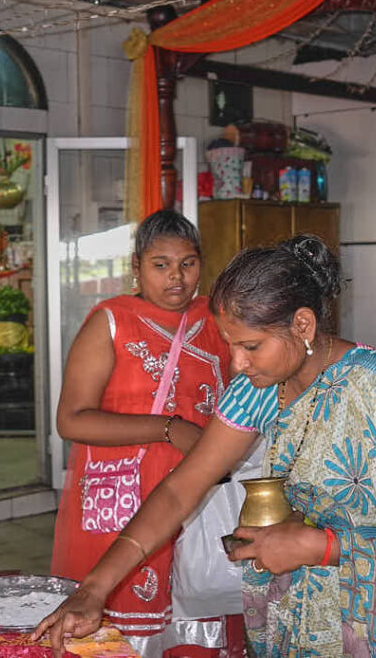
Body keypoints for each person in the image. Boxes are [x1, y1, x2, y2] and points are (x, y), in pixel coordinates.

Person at [37, 235, 376, 657]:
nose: (237, 363)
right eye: (230, 345)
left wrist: (319, 547)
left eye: (250, 346)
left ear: (303, 326)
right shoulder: (259, 389)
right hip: (296, 619)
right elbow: (180, 490)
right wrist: (93, 589)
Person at [50, 209, 246, 658]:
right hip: (124, 496)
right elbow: (72, 419)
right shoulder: (111, 321)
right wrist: (168, 428)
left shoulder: (217, 319)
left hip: (199, 496)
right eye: (161, 265)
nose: (177, 277)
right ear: (135, 267)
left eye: (188, 263)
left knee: (197, 611)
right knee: (118, 628)